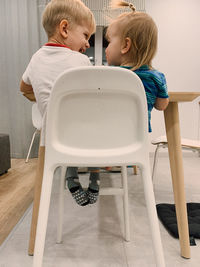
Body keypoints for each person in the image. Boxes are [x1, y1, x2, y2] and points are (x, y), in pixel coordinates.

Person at [20, 0, 99, 206]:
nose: (88, 44)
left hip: (53, 138)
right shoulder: (81, 61)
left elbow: (24, 88)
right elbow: (94, 96)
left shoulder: (35, 59)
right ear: (64, 28)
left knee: (73, 128)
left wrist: (47, 97)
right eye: (85, 35)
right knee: (96, 126)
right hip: (84, 134)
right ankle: (95, 177)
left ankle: (71, 178)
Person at [105, 0, 169, 134]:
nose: (107, 48)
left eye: (109, 42)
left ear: (125, 46)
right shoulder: (156, 77)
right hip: (138, 139)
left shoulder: (110, 75)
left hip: (109, 133)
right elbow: (162, 106)